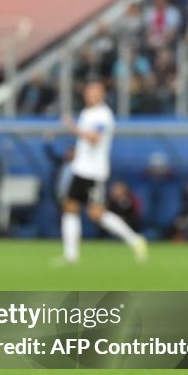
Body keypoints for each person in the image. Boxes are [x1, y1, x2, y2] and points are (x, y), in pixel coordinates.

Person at [59, 79, 147, 263]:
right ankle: (70, 256)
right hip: (80, 169)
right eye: (89, 91)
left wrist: (73, 128)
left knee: (96, 214)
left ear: (102, 95)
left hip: (94, 172)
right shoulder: (86, 112)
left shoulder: (103, 115)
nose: (90, 95)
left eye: (95, 91)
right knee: (70, 207)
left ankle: (135, 239)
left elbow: (94, 138)